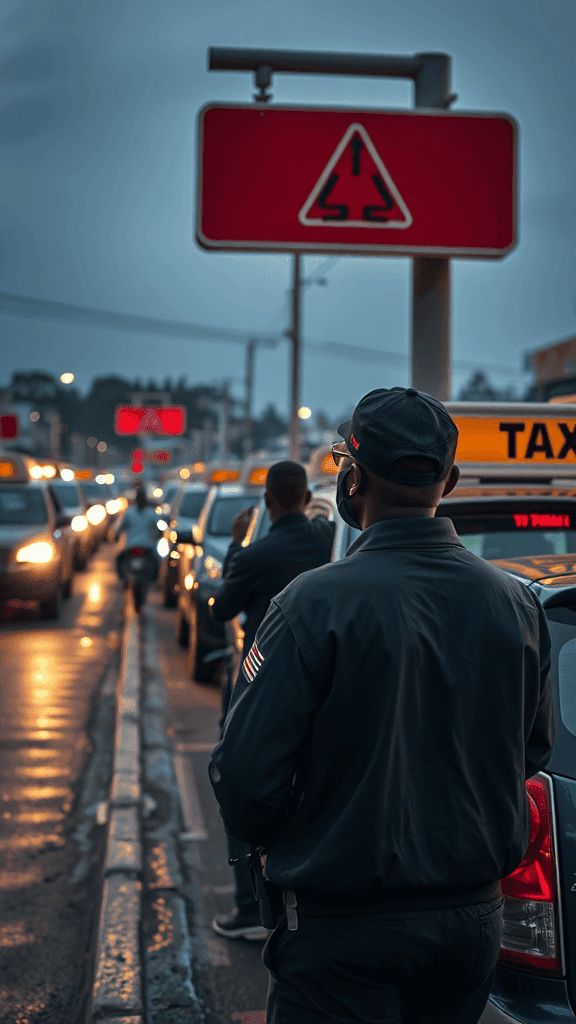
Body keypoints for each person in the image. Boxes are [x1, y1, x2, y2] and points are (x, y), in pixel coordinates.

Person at [209, 387, 553, 1024]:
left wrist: (310, 831)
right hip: (471, 927)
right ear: (449, 481)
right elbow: (530, 750)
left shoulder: (310, 604)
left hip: (342, 931)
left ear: (353, 478)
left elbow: (245, 777)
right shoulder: (518, 604)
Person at [210, 460, 335, 941]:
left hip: (260, 683)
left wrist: (238, 544)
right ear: (306, 498)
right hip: (326, 686)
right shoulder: (328, 541)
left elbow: (222, 608)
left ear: (267, 501)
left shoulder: (254, 554)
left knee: (240, 774)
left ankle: (249, 906)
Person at [113, 484, 161, 581]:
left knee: (119, 560)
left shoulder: (130, 512)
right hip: (145, 547)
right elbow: (159, 528)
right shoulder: (151, 513)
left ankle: (123, 580)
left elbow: (120, 527)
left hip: (134, 546)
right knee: (156, 563)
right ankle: (125, 580)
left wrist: (116, 536)